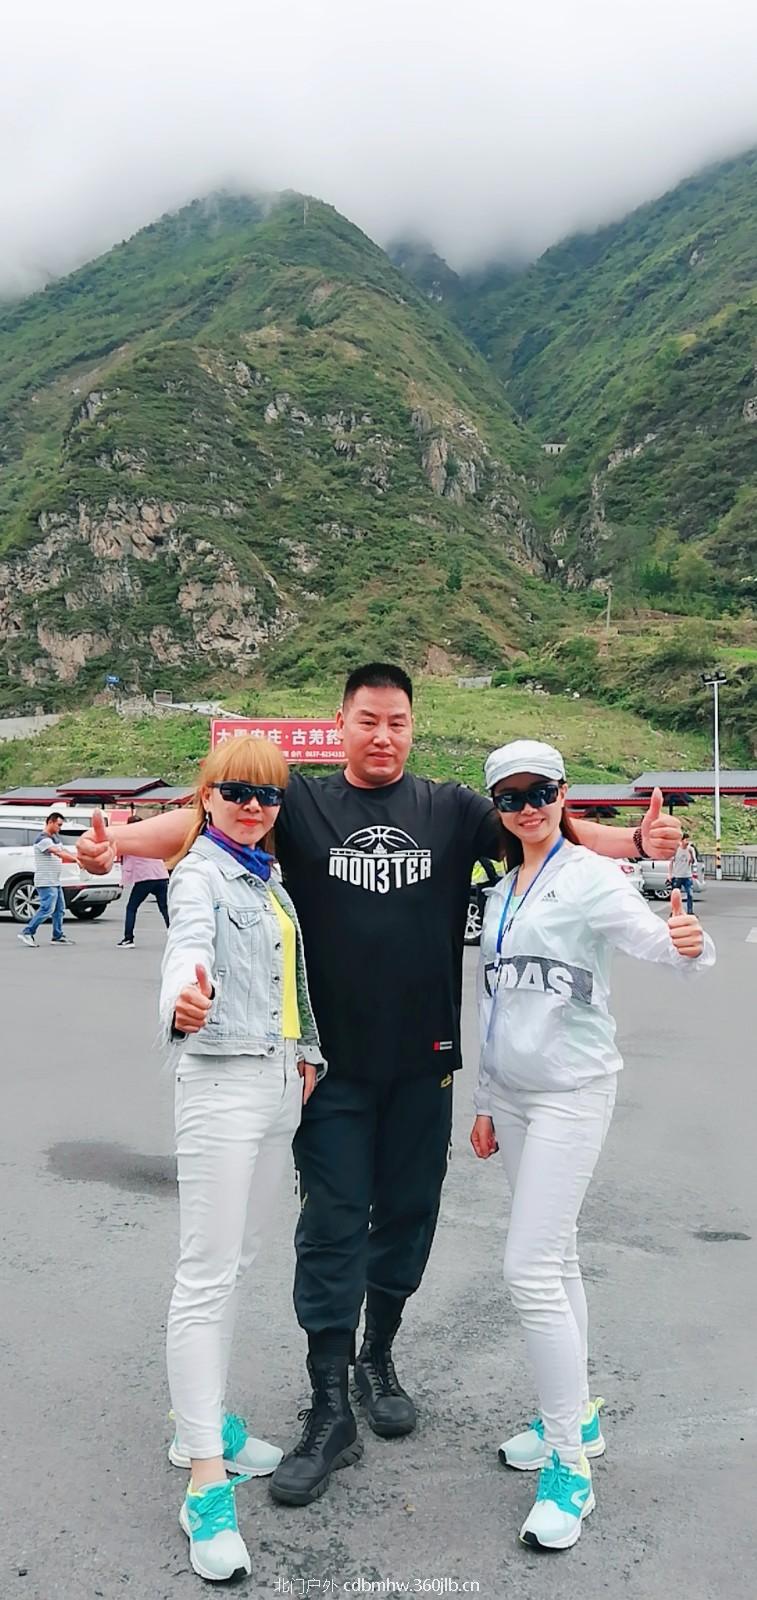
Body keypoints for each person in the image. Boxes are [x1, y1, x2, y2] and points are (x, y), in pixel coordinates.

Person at [77, 664, 684, 1507]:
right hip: (329, 1070)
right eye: (367, 720)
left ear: (411, 726)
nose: (382, 735)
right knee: (331, 1226)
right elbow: (203, 816)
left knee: (406, 1217)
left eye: (396, 721)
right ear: (340, 723)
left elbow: (544, 828)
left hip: (423, 1064)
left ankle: (378, 1356)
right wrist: (118, 841)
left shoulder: (450, 809)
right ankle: (328, 1403)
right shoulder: (302, 802)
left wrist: (639, 846)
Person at [470, 740, 714, 1552]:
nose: (526, 808)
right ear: (497, 809)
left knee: (528, 1269)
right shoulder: (500, 890)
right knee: (559, 1257)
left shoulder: (589, 877)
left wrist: (689, 944)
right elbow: (493, 1001)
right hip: (512, 1098)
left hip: (572, 1092)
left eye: (538, 791)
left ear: (562, 793)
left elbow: (661, 945)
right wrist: (484, 1101)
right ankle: (571, 1419)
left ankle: (568, 1468)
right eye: (509, 798)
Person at [159, 736, 326, 1582]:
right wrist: (182, 1001)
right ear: (207, 797)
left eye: (268, 796)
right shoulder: (200, 874)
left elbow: (290, 983)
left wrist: (306, 1054)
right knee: (205, 1274)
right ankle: (203, 1481)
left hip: (274, 1083)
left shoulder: (268, 879)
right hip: (221, 1079)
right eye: (236, 792)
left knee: (240, 1262)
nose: (254, 807)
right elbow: (186, 951)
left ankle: (208, 1420)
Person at [17, 811, 79, 947]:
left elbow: (64, 851)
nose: (60, 828)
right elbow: (58, 852)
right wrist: (76, 860)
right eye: (58, 825)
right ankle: (27, 932)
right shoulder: (43, 839)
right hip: (45, 881)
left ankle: (57, 936)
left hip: (54, 880)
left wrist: (79, 858)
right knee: (47, 909)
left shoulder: (55, 839)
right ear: (50, 822)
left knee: (59, 910)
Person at [117, 817, 170, 946]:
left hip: (145, 877)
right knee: (165, 908)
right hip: (161, 875)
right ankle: (175, 935)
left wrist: (123, 882)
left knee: (131, 907)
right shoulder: (152, 837)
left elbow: (127, 863)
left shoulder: (129, 841)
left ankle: (128, 938)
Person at [669, 830, 696, 915]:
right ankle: (674, 912)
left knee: (690, 894)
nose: (687, 842)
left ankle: (690, 912)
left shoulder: (691, 849)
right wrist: (670, 874)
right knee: (675, 896)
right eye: (686, 840)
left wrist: (691, 854)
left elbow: (692, 862)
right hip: (677, 875)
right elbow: (671, 862)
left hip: (687, 876)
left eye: (689, 840)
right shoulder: (677, 849)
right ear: (682, 840)